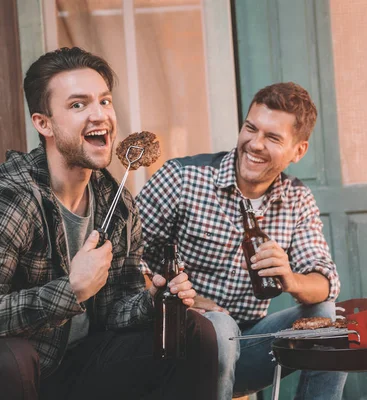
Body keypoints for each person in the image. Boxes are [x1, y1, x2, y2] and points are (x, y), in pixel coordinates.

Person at [0, 47, 217, 400]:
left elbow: (117, 308)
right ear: (44, 123)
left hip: (79, 369)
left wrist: (152, 298)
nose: (99, 115)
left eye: (104, 101)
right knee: (11, 359)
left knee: (192, 330)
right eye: (78, 105)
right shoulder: (10, 196)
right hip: (13, 375)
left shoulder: (114, 202)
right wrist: (71, 291)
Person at [136, 82, 348, 399]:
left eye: (273, 137)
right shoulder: (182, 178)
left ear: (298, 151)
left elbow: (325, 282)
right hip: (176, 341)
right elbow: (124, 260)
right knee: (219, 327)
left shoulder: (297, 198)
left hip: (247, 344)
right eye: (251, 128)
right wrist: (186, 301)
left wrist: (290, 279)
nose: (255, 144)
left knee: (328, 319)